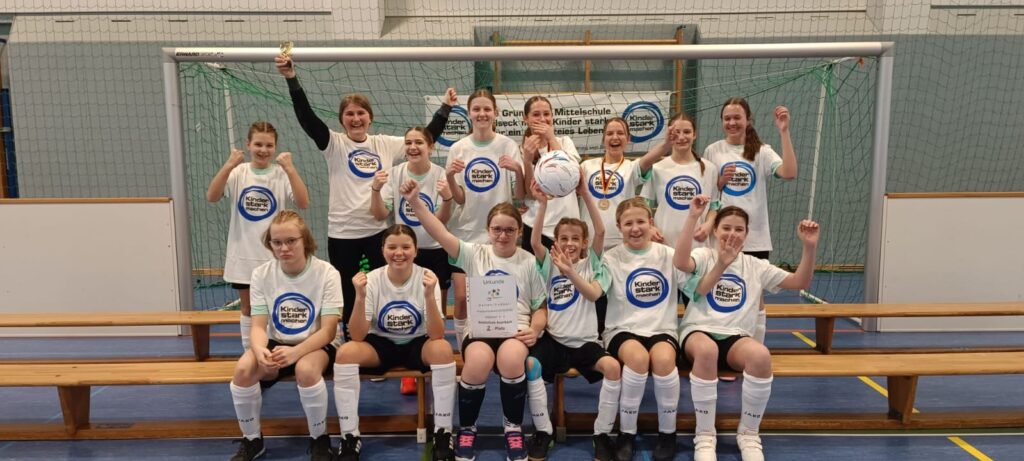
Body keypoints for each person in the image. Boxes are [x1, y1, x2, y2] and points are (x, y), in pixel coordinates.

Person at [275, 53, 456, 339]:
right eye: (349, 114)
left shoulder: (384, 144)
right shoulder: (334, 144)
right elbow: (308, 119)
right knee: (349, 292)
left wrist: (445, 109)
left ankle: (378, 339)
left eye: (361, 113)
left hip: (376, 233)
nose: (356, 118)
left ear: (370, 118)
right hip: (342, 234)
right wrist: (291, 80)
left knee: (378, 291)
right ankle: (350, 340)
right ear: (342, 120)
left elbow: (426, 137)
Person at [403, 179, 545, 461]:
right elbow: (438, 231)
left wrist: (535, 328)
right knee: (477, 362)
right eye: (497, 229)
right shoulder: (473, 254)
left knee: (511, 359)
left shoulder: (529, 261)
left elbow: (540, 307)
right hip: (480, 329)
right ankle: (467, 429)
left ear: (519, 232)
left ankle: (513, 428)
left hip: (516, 330)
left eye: (509, 230)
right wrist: (415, 202)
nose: (503, 235)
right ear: (488, 230)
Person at [673, 199, 818, 461]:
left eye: (739, 229)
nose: (732, 233)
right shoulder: (704, 256)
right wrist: (693, 217)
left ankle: (749, 433)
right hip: (699, 331)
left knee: (760, 356)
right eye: (726, 228)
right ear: (715, 230)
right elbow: (680, 261)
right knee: (706, 350)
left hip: (736, 337)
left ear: (747, 234)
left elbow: (800, 282)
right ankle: (705, 434)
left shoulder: (755, 265)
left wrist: (809, 247)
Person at [332, 224, 457, 461]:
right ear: (383, 251)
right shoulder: (371, 280)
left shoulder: (427, 277)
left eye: (406, 247)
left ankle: (443, 432)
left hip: (417, 342)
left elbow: (437, 334)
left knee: (442, 349)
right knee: (346, 353)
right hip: (381, 344)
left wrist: (430, 296)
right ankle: (349, 437)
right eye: (392, 247)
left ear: (416, 251)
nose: (399, 253)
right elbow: (357, 335)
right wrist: (359, 296)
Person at [228, 211, 341, 461]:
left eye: (291, 241)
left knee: (306, 370)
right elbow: (258, 326)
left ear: (305, 240)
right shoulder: (261, 274)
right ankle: (252, 439)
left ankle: (320, 439)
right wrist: (259, 350)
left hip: (316, 343)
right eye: (277, 242)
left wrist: (296, 352)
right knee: (243, 370)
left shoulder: (327, 273)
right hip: (278, 343)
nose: (284, 248)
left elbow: (328, 331)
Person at [523, 179, 621, 461]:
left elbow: (600, 231)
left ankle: (601, 434)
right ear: (556, 242)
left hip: (585, 343)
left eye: (575, 238)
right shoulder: (549, 264)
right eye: (563, 238)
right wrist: (542, 204)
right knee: (531, 365)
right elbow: (534, 241)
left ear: (584, 243)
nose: (569, 243)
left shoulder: (592, 263)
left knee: (613, 368)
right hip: (555, 340)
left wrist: (586, 194)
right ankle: (544, 431)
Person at [206, 121, 310, 351]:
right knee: (248, 309)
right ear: (248, 144)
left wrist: (291, 169)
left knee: (277, 307)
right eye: (258, 144)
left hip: (276, 257)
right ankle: (250, 352)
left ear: (275, 147)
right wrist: (229, 164)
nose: (263, 150)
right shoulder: (238, 172)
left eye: (269, 145)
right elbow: (212, 196)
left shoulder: (281, 174)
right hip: (243, 256)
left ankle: (276, 350)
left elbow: (303, 202)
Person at [601, 197, 688, 461]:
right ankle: (627, 433)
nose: (635, 228)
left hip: (661, 327)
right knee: (638, 359)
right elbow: (595, 291)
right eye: (628, 223)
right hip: (622, 328)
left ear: (651, 223)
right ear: (619, 226)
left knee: (663, 360)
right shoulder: (610, 258)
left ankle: (668, 433)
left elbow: (694, 286)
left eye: (641, 221)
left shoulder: (669, 255)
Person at [704, 97, 797, 343]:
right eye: (727, 118)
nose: (732, 122)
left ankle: (755, 345)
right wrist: (720, 182)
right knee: (722, 288)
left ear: (748, 120)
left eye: (737, 117)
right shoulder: (713, 150)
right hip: (722, 235)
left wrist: (784, 132)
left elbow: (789, 173)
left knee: (755, 293)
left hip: (754, 237)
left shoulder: (762, 151)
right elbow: (707, 192)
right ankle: (722, 342)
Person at [444, 89, 526, 348]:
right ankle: (464, 349)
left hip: (499, 236)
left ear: (495, 113)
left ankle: (498, 347)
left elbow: (519, 196)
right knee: (461, 299)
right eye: (476, 109)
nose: (482, 114)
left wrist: (518, 170)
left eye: (487, 109)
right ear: (469, 113)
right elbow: (459, 199)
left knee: (496, 297)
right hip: (466, 232)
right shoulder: (458, 148)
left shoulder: (507, 145)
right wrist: (449, 177)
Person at [643, 113, 719, 253]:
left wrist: (709, 224)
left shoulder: (710, 169)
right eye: (676, 132)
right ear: (669, 135)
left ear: (694, 134)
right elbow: (644, 206)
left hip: (697, 245)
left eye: (687, 132)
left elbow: (714, 206)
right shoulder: (657, 168)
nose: (682, 137)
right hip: (664, 243)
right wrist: (649, 227)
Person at [519, 95, 581, 254]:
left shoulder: (565, 142)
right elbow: (530, 194)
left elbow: (572, 176)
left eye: (546, 114)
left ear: (552, 116)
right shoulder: (521, 149)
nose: (542, 119)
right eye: (536, 114)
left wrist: (551, 138)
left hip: (567, 227)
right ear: (526, 118)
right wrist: (527, 161)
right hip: (536, 227)